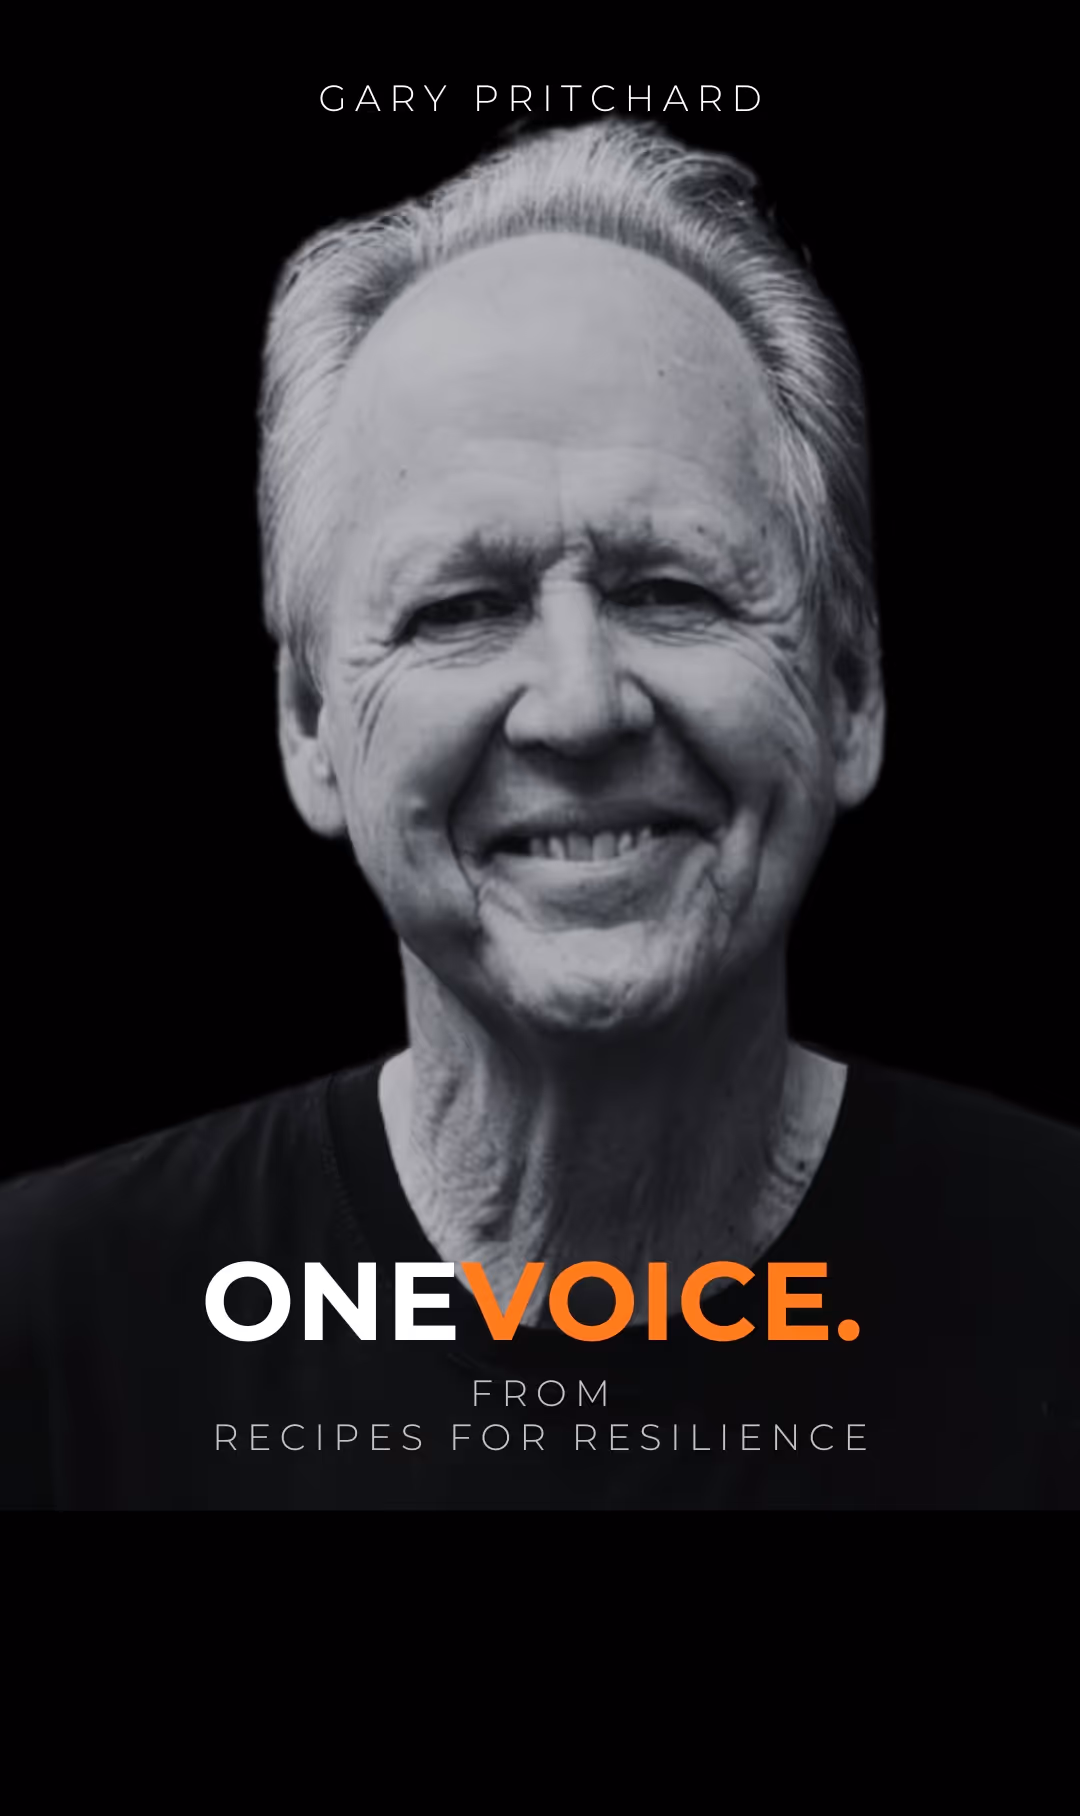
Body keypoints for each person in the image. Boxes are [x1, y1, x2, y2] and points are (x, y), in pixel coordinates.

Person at [1, 122, 1076, 1511]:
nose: (578, 707)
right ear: (311, 725)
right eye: (461, 609)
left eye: (672, 590)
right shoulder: (55, 1342)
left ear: (852, 685)